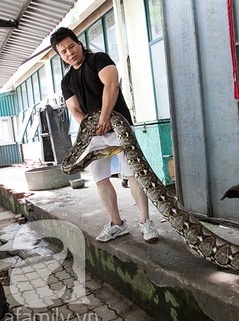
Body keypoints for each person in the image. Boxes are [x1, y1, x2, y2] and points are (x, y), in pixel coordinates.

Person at [50, 27, 159, 243]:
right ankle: (117, 224)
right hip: (94, 134)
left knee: (132, 174)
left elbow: (111, 85)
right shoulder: (67, 81)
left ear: (79, 44)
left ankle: (146, 222)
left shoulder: (98, 59)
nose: (69, 52)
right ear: (60, 55)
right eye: (63, 51)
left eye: (71, 46)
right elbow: (74, 109)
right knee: (100, 179)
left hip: (119, 127)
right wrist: (92, 127)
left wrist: (105, 118)